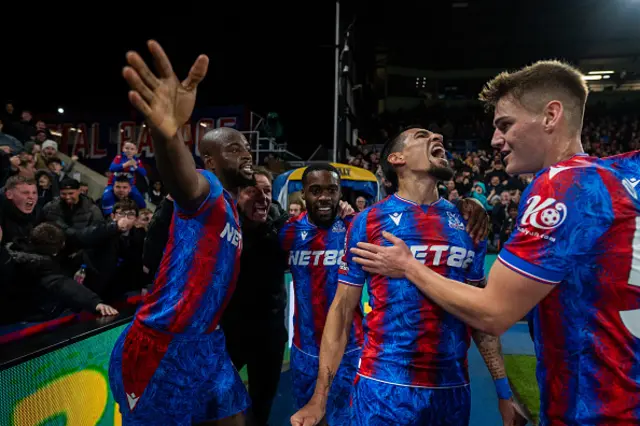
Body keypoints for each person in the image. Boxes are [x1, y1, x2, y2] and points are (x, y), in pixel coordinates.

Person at [350, 61, 640, 425]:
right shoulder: (626, 174)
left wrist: (408, 265)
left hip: (592, 408)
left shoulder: (559, 186)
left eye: (506, 125)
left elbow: (492, 312)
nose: (495, 140)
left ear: (551, 115)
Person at [292, 128, 514, 426]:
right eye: (423, 135)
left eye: (437, 135)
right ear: (397, 158)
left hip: (452, 392)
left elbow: (480, 317)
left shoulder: (469, 223)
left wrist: (504, 393)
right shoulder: (367, 222)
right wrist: (319, 398)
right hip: (383, 389)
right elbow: (342, 311)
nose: (438, 137)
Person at [108, 40, 255, 426]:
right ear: (209, 160)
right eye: (235, 149)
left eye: (247, 148)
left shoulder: (233, 212)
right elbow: (182, 181)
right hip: (161, 345)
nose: (246, 154)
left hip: (207, 342)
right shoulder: (206, 188)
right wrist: (167, 132)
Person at [282, 163, 363, 426]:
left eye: (331, 190)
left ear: (340, 193)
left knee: (349, 420)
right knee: (310, 420)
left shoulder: (356, 228)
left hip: (349, 348)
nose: (325, 197)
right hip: (305, 350)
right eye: (316, 190)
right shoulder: (288, 232)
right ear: (303, 194)